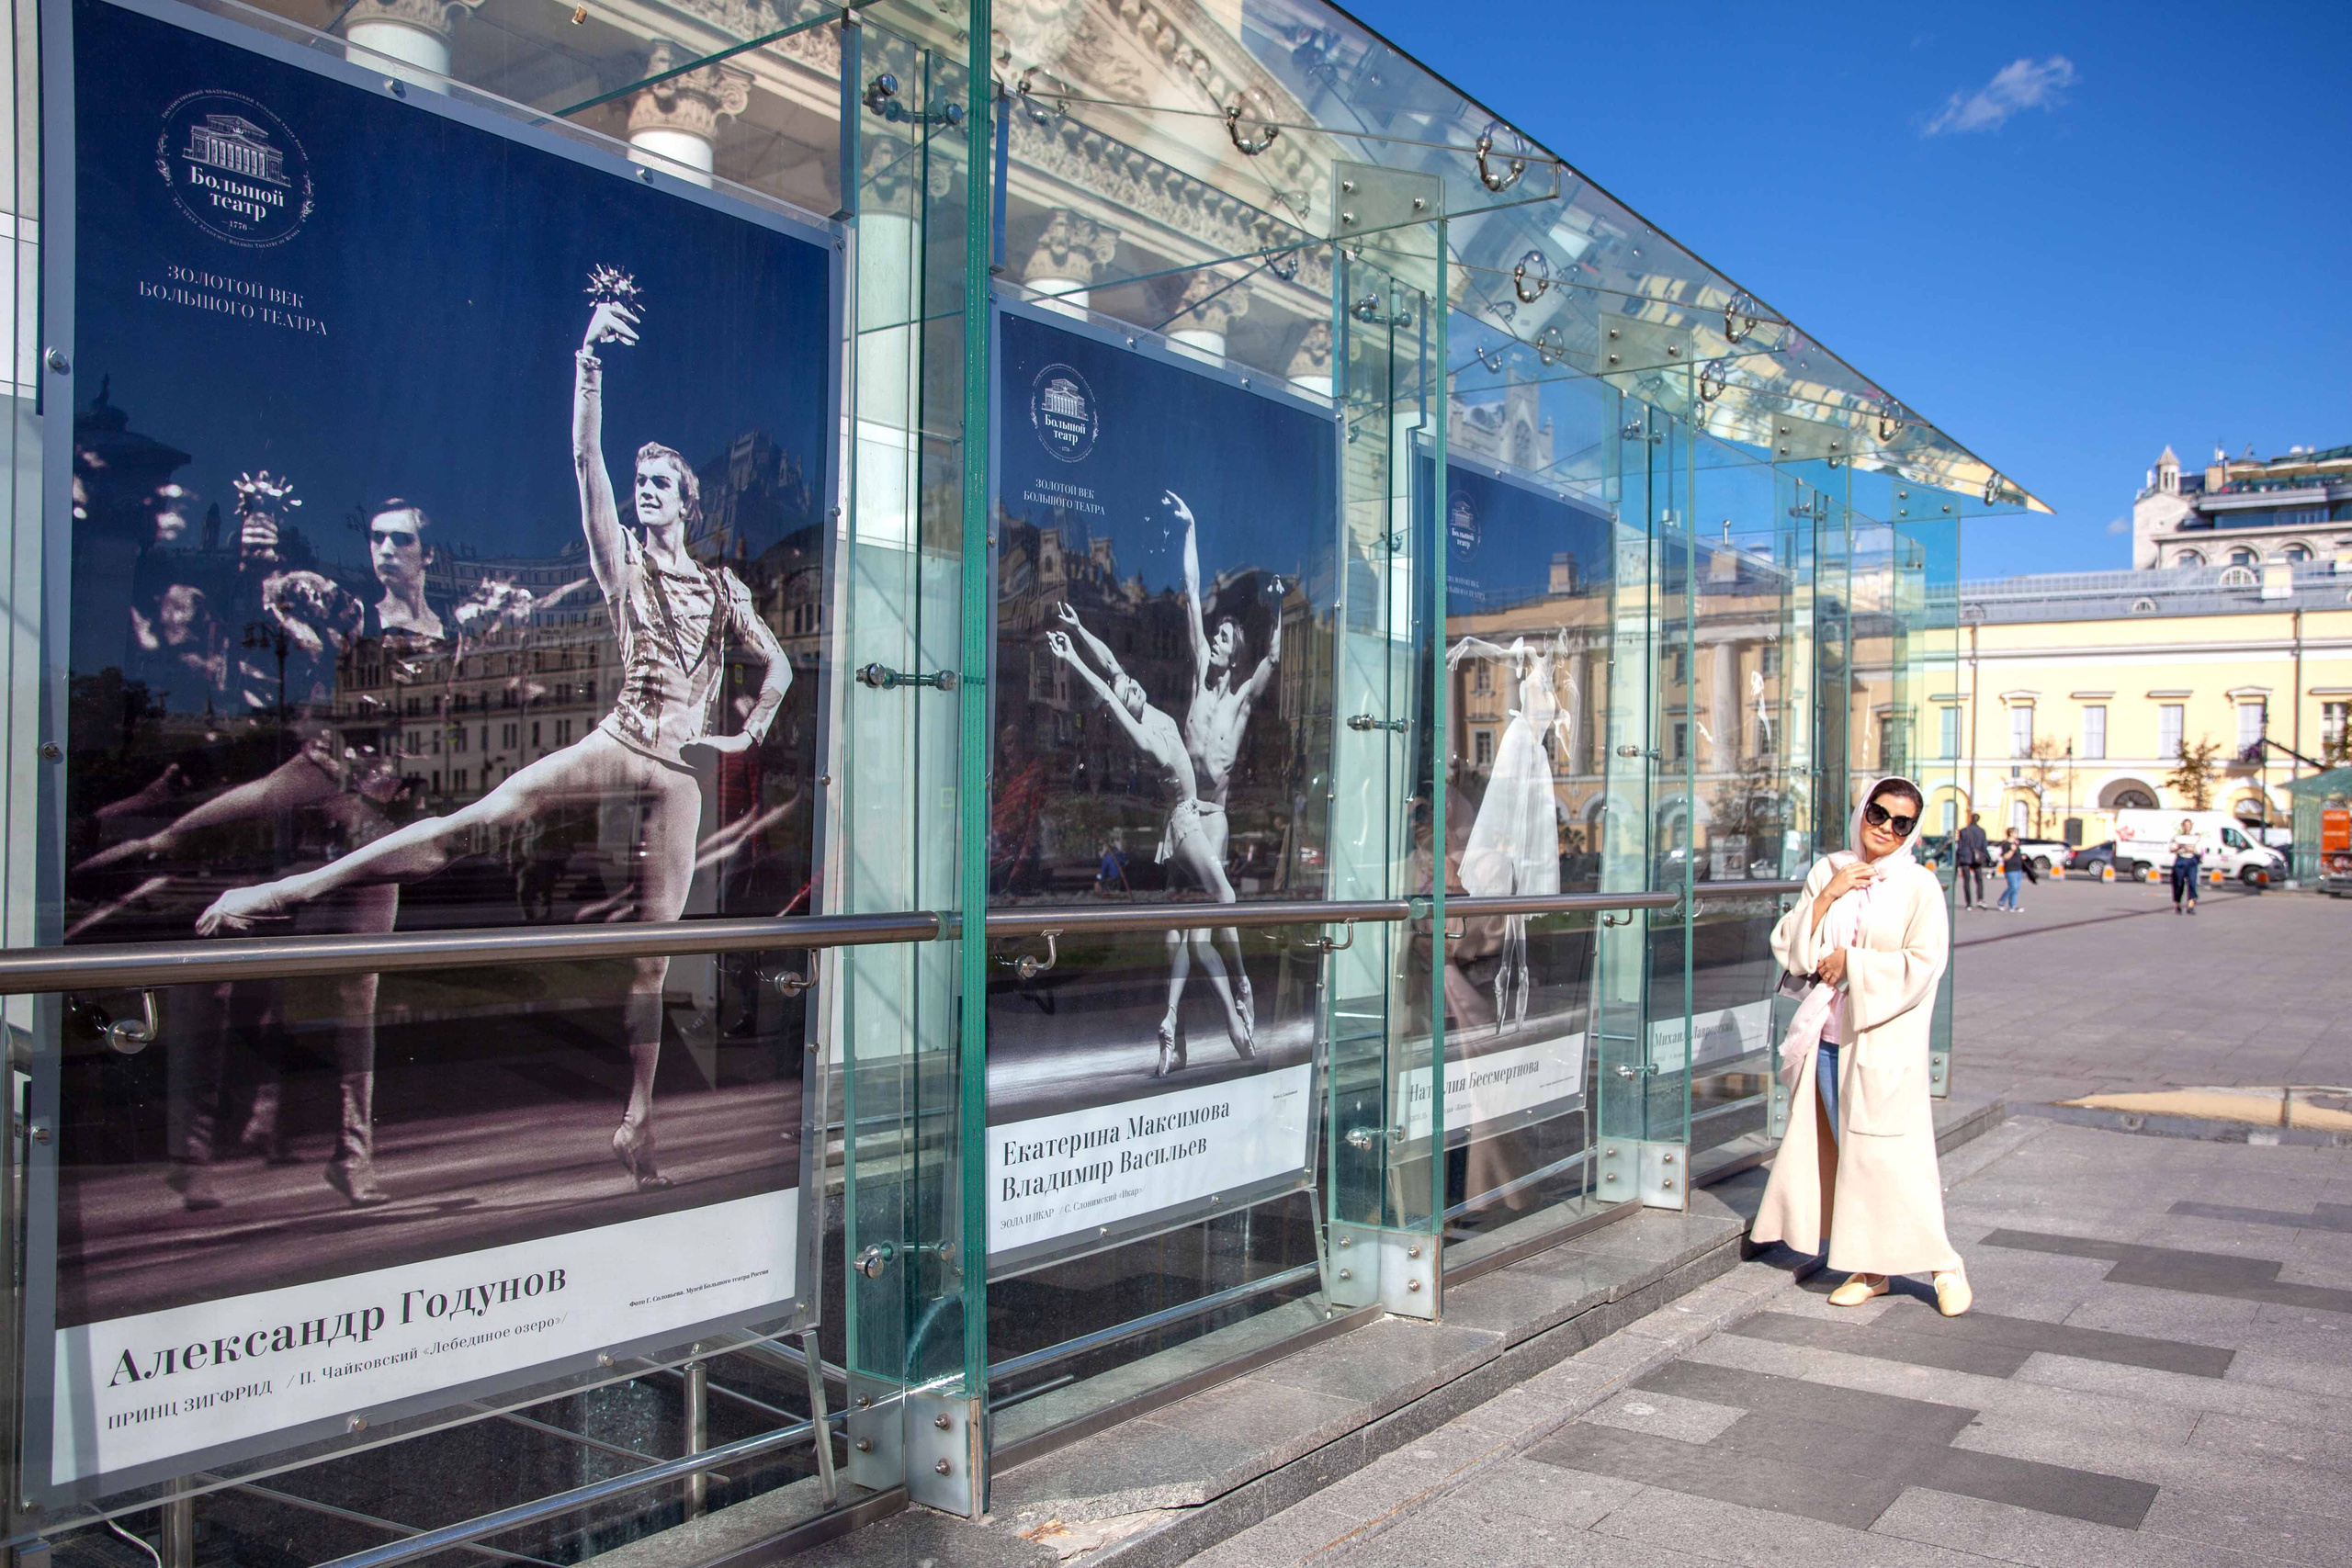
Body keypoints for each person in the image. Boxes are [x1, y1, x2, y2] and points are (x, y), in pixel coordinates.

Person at [196, 280, 792, 1192]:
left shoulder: (721, 587)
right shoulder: (620, 559)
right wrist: (588, 361)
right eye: (640, 484)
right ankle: (290, 887)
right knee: (473, 820)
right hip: (618, 737)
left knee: (651, 956)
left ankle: (636, 1125)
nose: (644, 492)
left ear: (690, 500)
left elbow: (778, 667)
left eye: (660, 484)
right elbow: (584, 456)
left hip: (676, 773)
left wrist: (745, 735)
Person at [1752, 775, 1969, 1316]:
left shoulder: (1919, 886)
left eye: (1902, 823)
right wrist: (1829, 893)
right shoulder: (1829, 869)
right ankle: (1872, 1271)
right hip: (1827, 1037)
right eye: (1879, 814)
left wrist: (1854, 964)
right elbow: (1793, 947)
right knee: (1854, 1158)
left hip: (1884, 1043)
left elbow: (1924, 965)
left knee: (1894, 1159)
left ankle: (1945, 1262)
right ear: (1863, 811)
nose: (1887, 830)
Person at [1045, 627, 1250, 1075]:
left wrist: (1079, 631)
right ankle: (1241, 988)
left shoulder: (1151, 710)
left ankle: (1171, 1027)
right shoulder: (1146, 737)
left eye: (1133, 683)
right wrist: (1071, 660)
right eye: (1127, 692)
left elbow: (1112, 663)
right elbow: (1104, 685)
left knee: (1178, 936)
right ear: (1122, 706)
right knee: (1226, 901)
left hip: (1188, 817)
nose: (1132, 685)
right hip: (1184, 824)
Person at [1444, 631, 1574, 1029]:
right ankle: (1508, 999)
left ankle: (1515, 1000)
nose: (1562, 647)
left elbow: (1563, 726)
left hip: (1537, 761)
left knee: (1527, 864)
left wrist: (1565, 729)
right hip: (1521, 753)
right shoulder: (1532, 659)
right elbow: (1498, 651)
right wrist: (1466, 643)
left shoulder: (1555, 682)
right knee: (1516, 853)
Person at [1953, 811, 1989, 910]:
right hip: (1977, 858)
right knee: (1979, 880)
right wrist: (1985, 857)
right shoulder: (1982, 831)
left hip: (1965, 858)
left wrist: (1958, 860)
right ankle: (1980, 899)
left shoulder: (1964, 831)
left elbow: (1959, 847)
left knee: (1967, 881)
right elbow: (1984, 846)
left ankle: (1969, 903)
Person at [2169, 818, 2203, 915]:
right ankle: (2178, 905)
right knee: (2178, 883)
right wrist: (2181, 847)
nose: (2187, 828)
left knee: (2192, 883)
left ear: (2191, 827)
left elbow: (2199, 850)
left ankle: (2190, 906)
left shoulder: (2195, 838)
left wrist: (2191, 849)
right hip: (2181, 860)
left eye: (2189, 826)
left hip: (2191, 861)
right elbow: (2172, 849)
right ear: (2182, 826)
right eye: (2185, 826)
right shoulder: (2177, 837)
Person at [1996, 829, 2033, 912]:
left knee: (2016, 888)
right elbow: (2005, 857)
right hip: (2010, 868)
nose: (2017, 834)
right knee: (2013, 886)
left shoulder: (2016, 843)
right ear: (2011, 833)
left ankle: (2012, 906)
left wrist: (2022, 857)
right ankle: (2001, 901)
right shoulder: (2006, 844)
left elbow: (2018, 855)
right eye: (2016, 833)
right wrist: (2012, 850)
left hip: (2018, 868)